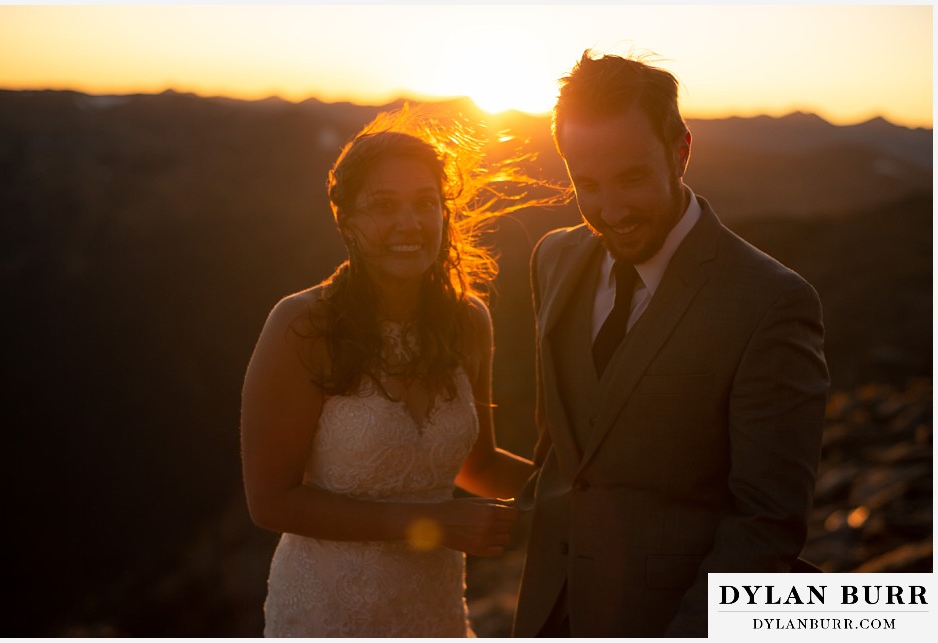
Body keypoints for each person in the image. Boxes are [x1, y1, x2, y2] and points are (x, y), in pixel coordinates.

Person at [512, 51, 830, 638]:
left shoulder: (771, 302)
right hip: (545, 614)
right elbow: (561, 448)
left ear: (681, 151)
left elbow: (766, 524)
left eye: (632, 178)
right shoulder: (552, 258)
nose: (611, 210)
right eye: (587, 184)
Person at [239, 107, 557, 637]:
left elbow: (474, 466)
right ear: (347, 220)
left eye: (424, 204)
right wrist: (429, 523)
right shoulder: (301, 325)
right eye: (383, 206)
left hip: (432, 611)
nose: (408, 224)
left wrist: (577, 489)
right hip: (327, 610)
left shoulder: (467, 321)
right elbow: (269, 502)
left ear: (443, 214)